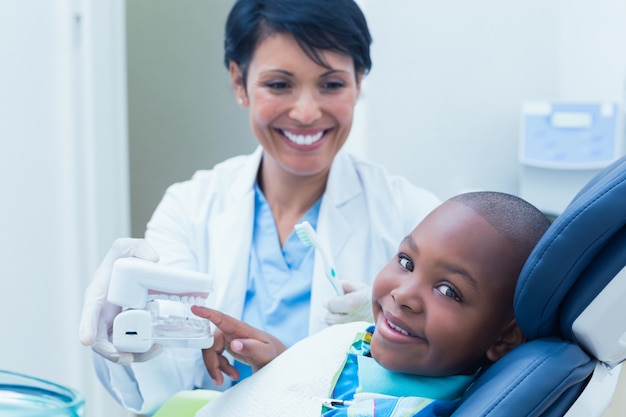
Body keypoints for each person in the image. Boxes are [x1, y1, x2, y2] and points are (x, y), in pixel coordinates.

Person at [78, 0, 440, 415]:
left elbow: (451, 381)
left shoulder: (411, 215)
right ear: (239, 82)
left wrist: (364, 350)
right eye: (280, 85)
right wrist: (126, 318)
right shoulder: (190, 208)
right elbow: (159, 389)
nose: (306, 112)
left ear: (359, 82)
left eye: (332, 84)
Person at [185, 191, 551, 416]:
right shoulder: (367, 342)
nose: (404, 294)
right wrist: (284, 366)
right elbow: (323, 392)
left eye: (448, 291)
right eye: (406, 262)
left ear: (504, 339)